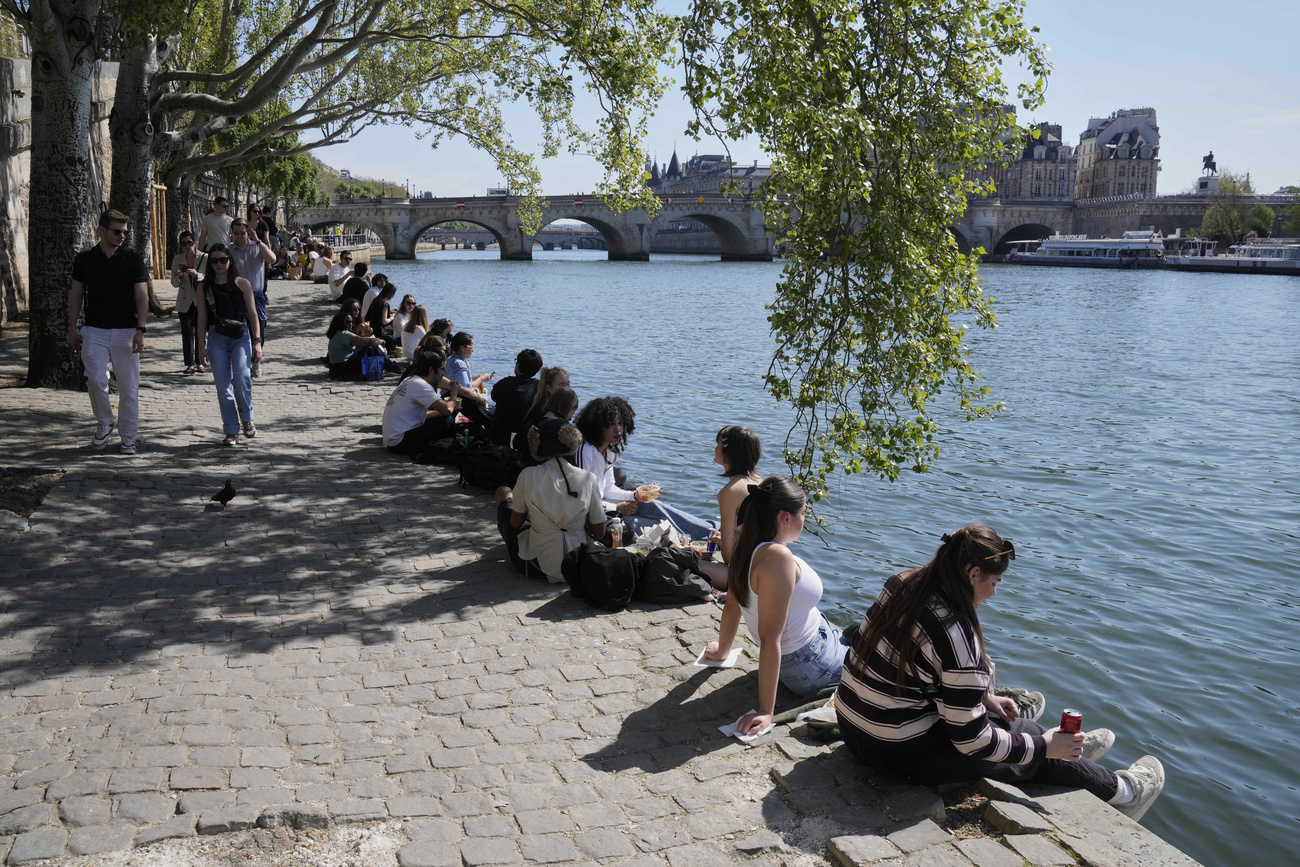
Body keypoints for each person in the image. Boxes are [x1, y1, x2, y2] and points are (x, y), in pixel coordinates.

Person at [835, 525, 1166, 821]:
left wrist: (985, 697)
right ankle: (1124, 791)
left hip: (854, 730)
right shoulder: (955, 632)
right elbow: (973, 742)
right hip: (897, 756)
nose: (994, 593)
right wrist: (1044, 747)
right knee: (1030, 741)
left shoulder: (903, 582)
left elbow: (914, 665)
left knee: (1010, 726)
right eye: (994, 583)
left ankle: (1072, 756)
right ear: (973, 573)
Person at [703, 477, 846, 732]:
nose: (804, 519)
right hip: (811, 663)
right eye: (803, 513)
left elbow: (733, 604)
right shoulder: (777, 559)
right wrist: (766, 712)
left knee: (862, 634)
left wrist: (722, 652)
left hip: (814, 649)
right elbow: (769, 638)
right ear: (786, 518)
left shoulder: (747, 545)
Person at [68, 209, 149, 454]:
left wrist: (141, 329)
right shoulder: (85, 259)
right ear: (102, 230)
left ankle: (128, 436)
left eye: (125, 232)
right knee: (96, 381)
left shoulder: (133, 259)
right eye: (117, 231)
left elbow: (142, 296)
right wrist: (72, 328)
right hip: (94, 330)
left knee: (129, 387)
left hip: (126, 331)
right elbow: (76, 294)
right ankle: (104, 423)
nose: (122, 236)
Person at [573, 396, 713, 539]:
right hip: (592, 517)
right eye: (611, 424)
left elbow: (608, 489)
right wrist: (616, 508)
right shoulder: (585, 451)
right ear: (597, 426)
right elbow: (583, 501)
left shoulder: (609, 452)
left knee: (653, 505)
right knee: (655, 527)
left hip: (603, 506)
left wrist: (635, 496)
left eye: (620, 423)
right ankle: (704, 537)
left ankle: (712, 529)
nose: (618, 429)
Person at [494, 418, 606, 583]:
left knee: (503, 493)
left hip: (536, 565)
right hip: (577, 564)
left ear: (536, 445)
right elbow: (599, 532)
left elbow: (515, 523)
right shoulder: (589, 478)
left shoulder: (527, 474)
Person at [195, 243, 262, 447]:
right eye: (214, 260)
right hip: (217, 338)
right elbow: (201, 318)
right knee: (223, 387)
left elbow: (253, 315)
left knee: (242, 379)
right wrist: (200, 347)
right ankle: (231, 430)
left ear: (230, 261)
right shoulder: (204, 287)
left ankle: (247, 417)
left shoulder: (242, 284)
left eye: (223, 260)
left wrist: (257, 341)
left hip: (241, 336)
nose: (219, 264)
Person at [382, 351, 459, 455]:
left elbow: (419, 415)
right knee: (447, 421)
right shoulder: (421, 385)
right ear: (431, 370)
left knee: (441, 417)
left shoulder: (410, 380)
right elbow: (447, 410)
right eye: (441, 369)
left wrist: (439, 412)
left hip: (393, 440)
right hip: (400, 443)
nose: (443, 374)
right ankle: (450, 451)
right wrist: (454, 394)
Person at [228, 217, 275, 378]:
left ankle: (256, 359)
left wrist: (258, 241)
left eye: (243, 232)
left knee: (259, 328)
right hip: (237, 294)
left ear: (248, 232)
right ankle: (242, 361)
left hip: (256, 294)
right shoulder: (229, 250)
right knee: (239, 328)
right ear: (232, 233)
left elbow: (272, 259)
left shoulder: (257, 246)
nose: (240, 236)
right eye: (236, 233)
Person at [169, 230, 206, 375]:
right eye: (183, 244)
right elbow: (174, 283)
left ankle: (200, 362)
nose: (186, 246)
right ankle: (190, 364)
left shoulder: (204, 257)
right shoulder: (177, 259)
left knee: (201, 332)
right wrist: (179, 276)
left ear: (194, 243)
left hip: (200, 300)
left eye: (189, 243)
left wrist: (197, 275)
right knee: (187, 332)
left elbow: (210, 277)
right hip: (184, 301)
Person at [490, 349, 543, 446]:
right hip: (525, 440)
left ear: (518, 365)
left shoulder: (504, 383)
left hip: (500, 437)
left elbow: (494, 397)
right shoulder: (540, 389)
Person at [446, 331, 494, 426]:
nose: (473, 350)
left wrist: (481, 377)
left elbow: (461, 380)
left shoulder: (452, 359)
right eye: (471, 347)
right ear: (462, 348)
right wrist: (481, 379)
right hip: (459, 398)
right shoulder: (459, 364)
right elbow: (466, 387)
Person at [326, 309, 385, 380]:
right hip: (343, 368)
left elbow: (360, 340)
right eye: (348, 322)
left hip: (335, 369)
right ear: (341, 323)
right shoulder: (344, 334)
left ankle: (388, 366)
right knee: (370, 347)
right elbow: (367, 342)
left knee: (370, 347)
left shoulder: (337, 333)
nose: (351, 324)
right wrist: (381, 341)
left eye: (352, 322)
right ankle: (390, 366)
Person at [518, 366, 570, 435]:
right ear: (549, 388)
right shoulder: (545, 409)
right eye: (561, 385)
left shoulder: (550, 403)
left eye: (568, 384)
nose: (567, 388)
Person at [365, 283, 398, 354]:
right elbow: (384, 321)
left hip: (374, 329)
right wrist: (392, 317)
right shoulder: (385, 304)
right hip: (381, 332)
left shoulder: (375, 300)